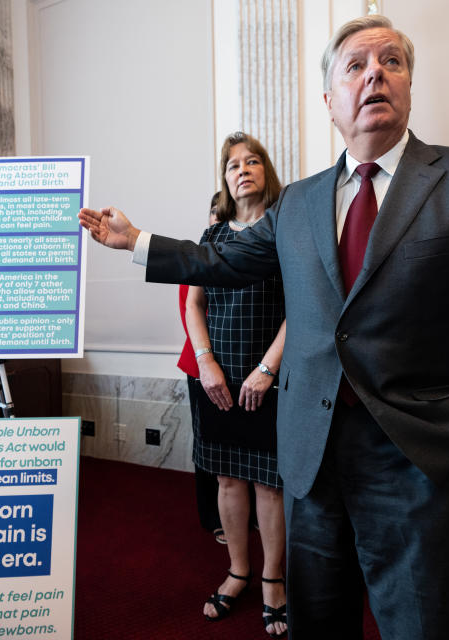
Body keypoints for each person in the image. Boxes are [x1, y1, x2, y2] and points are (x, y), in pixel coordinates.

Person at [80, 15, 449, 640]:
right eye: (354, 65)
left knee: (425, 620)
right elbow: (223, 261)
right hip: (310, 452)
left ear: (410, 86)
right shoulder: (297, 201)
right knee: (318, 619)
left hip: (419, 455)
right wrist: (135, 241)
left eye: (391, 62)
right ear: (330, 100)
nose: (374, 73)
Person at [184, 132, 288, 637]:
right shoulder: (214, 238)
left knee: (270, 484)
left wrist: (268, 369)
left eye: (251, 162)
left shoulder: (285, 229)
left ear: (265, 170)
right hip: (219, 378)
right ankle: (238, 571)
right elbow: (194, 303)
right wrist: (206, 363)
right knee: (227, 478)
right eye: (232, 166)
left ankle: (273, 580)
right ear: (224, 180)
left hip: (269, 377)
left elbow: (304, 308)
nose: (242, 170)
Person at [177, 193, 224, 544]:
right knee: (207, 444)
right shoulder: (198, 257)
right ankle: (212, 517)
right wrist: (208, 362)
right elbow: (190, 313)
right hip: (201, 364)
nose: (220, 219)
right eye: (216, 213)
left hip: (240, 367)